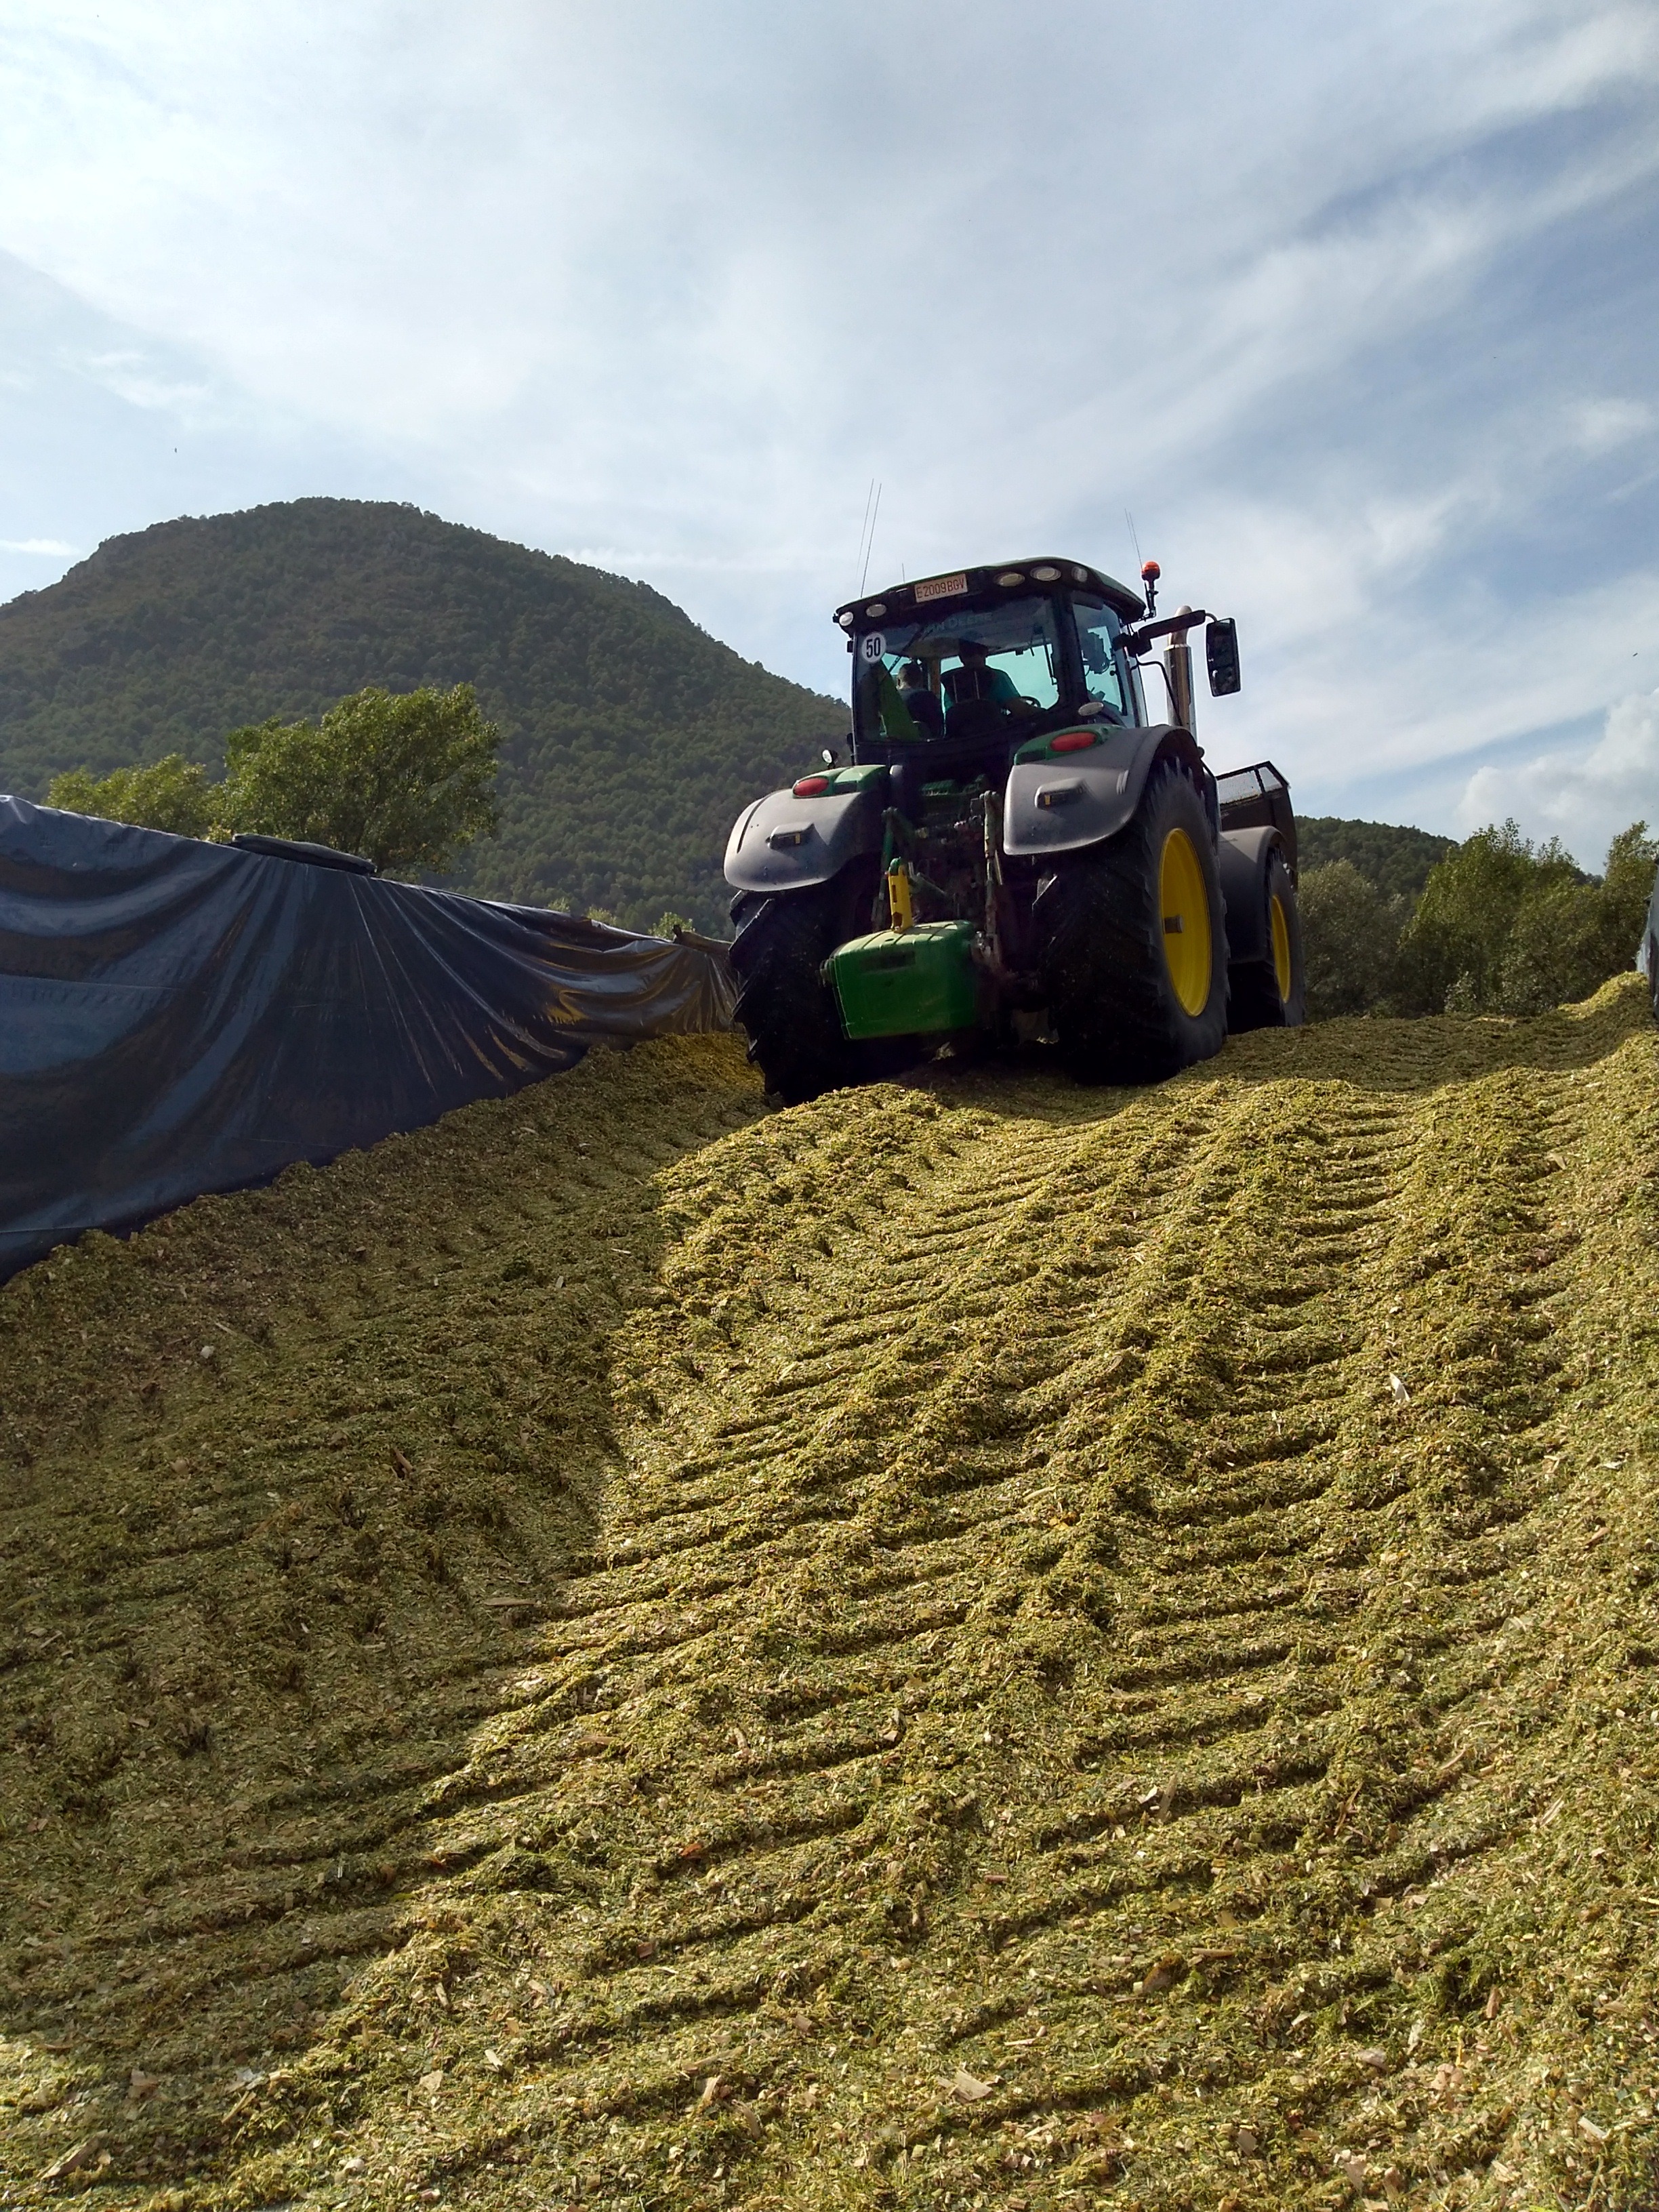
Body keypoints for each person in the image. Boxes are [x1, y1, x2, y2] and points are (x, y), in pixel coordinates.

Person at [943, 640, 1021, 708]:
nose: (975, 656)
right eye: (969, 652)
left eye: (979, 651)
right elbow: (1020, 709)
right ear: (986, 653)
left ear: (961, 657)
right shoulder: (997, 678)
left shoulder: (951, 684)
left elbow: (949, 714)